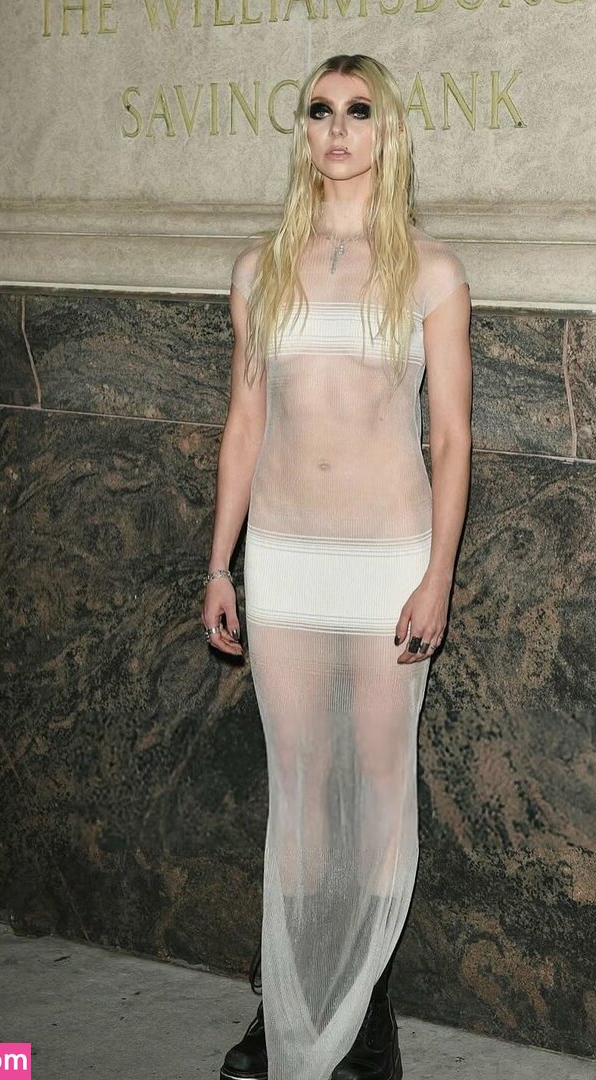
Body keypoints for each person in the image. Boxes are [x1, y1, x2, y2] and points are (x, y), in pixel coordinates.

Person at [203, 53, 473, 1080]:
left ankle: (365, 1013)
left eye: (358, 111)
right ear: (304, 132)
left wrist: (437, 577)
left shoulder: (431, 271)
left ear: (386, 130)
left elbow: (450, 439)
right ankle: (289, 1001)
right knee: (300, 787)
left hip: (386, 563)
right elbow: (244, 423)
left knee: (380, 783)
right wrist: (219, 565)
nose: (337, 129)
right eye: (320, 110)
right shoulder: (258, 268)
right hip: (283, 558)